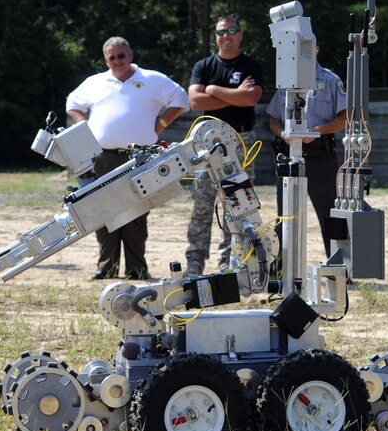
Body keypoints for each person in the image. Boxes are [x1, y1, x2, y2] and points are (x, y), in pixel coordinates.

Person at [67, 36, 189, 280]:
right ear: (105, 59)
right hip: (102, 157)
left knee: (137, 212)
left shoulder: (152, 79)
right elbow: (72, 102)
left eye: (121, 55)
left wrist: (162, 123)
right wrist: (83, 125)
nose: (117, 61)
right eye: (111, 57)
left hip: (139, 158)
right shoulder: (95, 82)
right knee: (102, 211)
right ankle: (106, 267)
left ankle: (137, 268)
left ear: (130, 55)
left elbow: (181, 99)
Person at [184, 16, 264, 276]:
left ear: (240, 34)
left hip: (241, 140)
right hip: (209, 143)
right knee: (203, 203)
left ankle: (230, 264)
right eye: (221, 32)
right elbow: (195, 101)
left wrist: (213, 89)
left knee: (238, 202)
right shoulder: (204, 65)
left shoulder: (251, 65)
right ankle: (194, 263)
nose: (226, 35)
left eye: (232, 30)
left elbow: (250, 98)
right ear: (215, 36)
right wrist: (233, 94)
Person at [266, 43, 346, 258]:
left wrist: (319, 130)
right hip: (290, 157)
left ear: (317, 49)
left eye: (306, 47)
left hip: (320, 158)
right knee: (285, 216)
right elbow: (273, 118)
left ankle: (340, 266)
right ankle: (280, 271)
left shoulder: (330, 80)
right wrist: (281, 132)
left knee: (330, 214)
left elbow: (343, 118)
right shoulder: (286, 82)